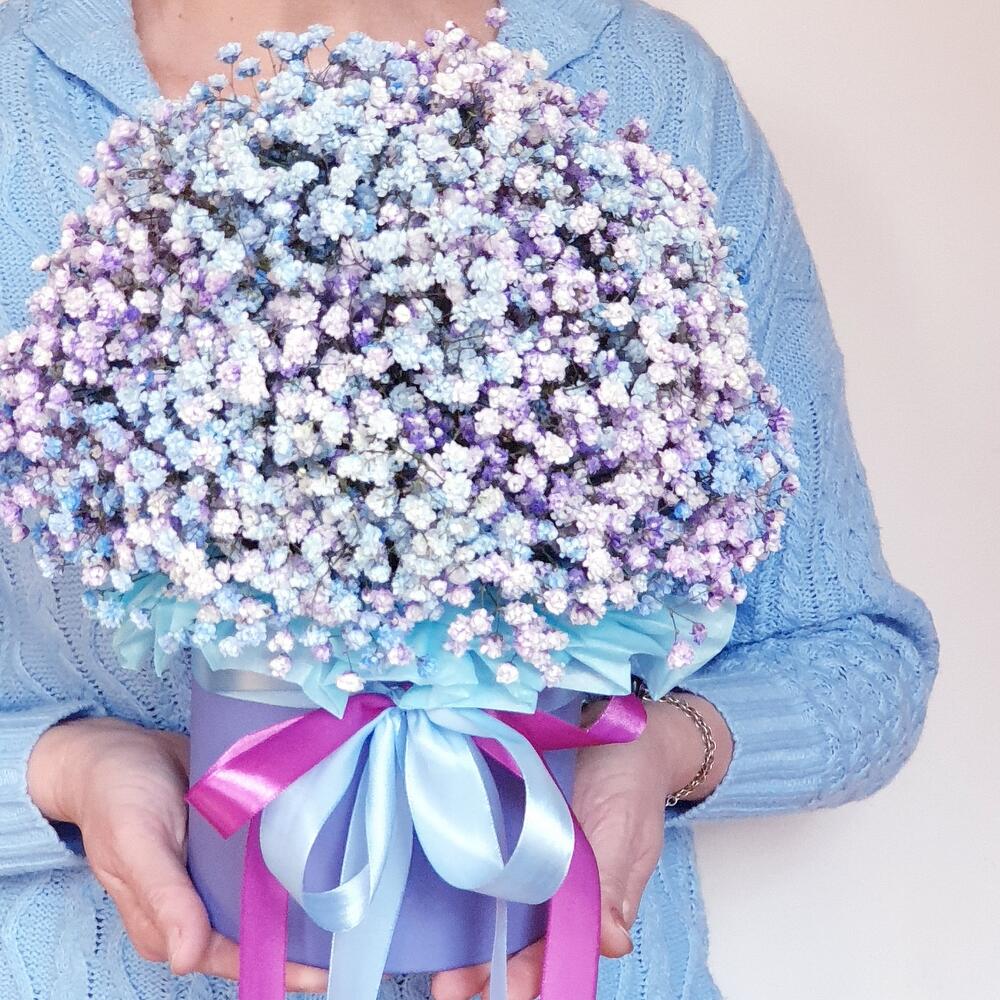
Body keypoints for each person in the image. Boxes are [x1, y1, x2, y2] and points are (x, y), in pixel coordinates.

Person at [0, 0, 940, 998]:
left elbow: (859, 662)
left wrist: (659, 750)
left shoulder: (648, 80)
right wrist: (65, 771)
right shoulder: (21, 94)